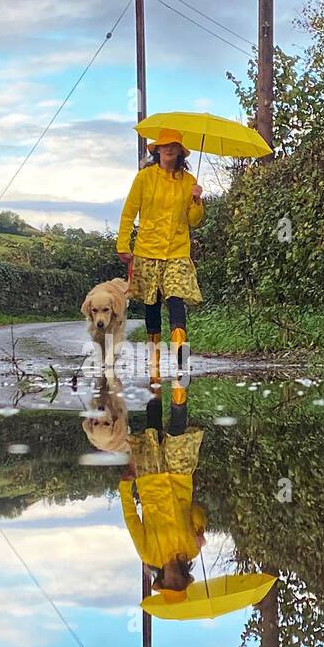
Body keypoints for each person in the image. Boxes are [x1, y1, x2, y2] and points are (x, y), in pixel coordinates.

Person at [116, 128, 204, 381]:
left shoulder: (189, 181)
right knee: (152, 305)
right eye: (164, 145)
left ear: (179, 151)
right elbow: (128, 212)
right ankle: (153, 361)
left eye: (173, 145)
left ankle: (182, 363)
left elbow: (193, 221)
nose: (168, 149)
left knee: (176, 300)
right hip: (147, 250)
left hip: (177, 251)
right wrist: (124, 244)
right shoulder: (144, 178)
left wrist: (197, 201)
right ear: (157, 150)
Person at [118, 388, 207, 606]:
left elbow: (132, 520)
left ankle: (155, 378)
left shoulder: (149, 556)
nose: (175, 581)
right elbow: (195, 509)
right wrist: (199, 529)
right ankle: (179, 386)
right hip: (179, 478)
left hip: (150, 480)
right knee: (177, 433)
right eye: (179, 585)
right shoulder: (193, 550)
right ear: (186, 580)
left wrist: (125, 486)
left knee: (153, 429)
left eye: (171, 584)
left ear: (162, 581)